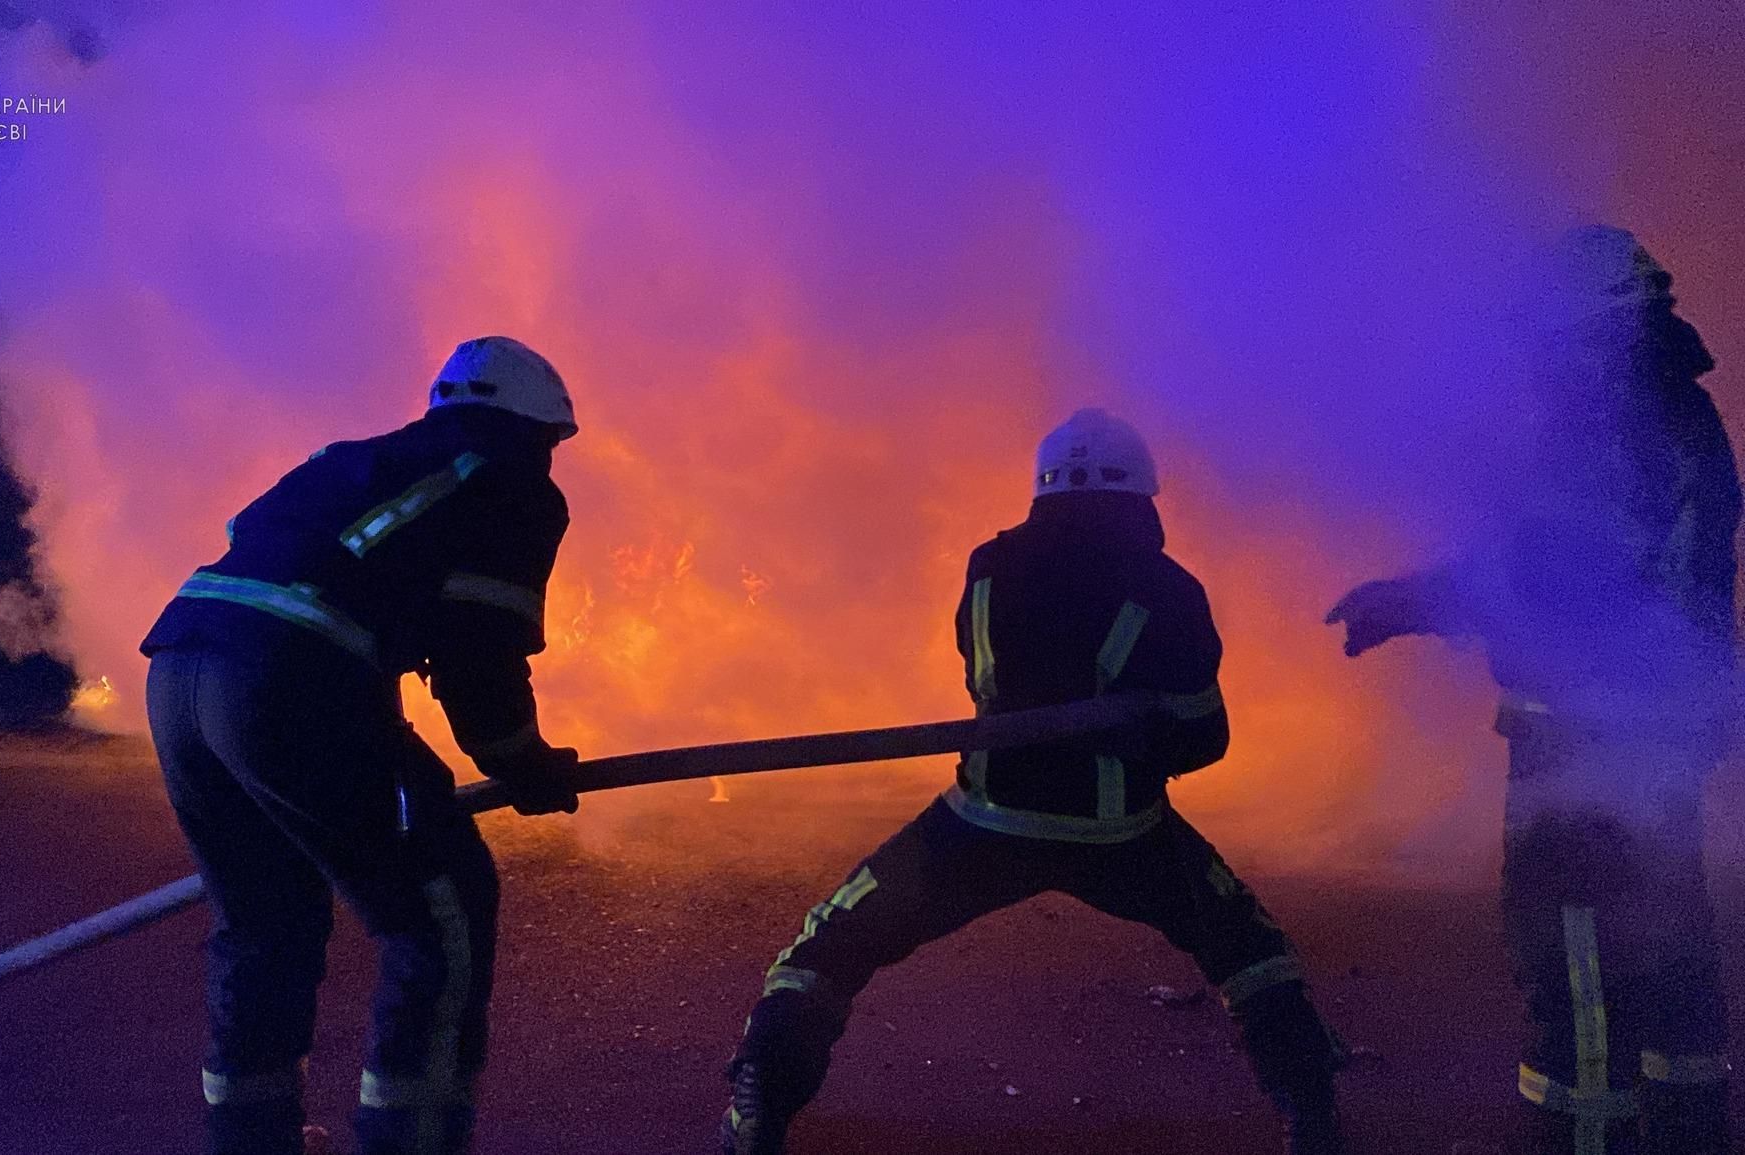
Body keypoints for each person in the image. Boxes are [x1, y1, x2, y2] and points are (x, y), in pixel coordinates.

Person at [722, 409, 1346, 1154]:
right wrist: (1139, 730)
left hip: (987, 820)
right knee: (1249, 947)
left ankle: (762, 1099)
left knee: (831, 943)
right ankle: (1311, 1108)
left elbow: (979, 675)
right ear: (1141, 495)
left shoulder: (988, 566)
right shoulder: (1171, 590)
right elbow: (1204, 739)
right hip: (1124, 832)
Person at [1327, 226, 1735, 1155]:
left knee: (1576, 958)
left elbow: (1554, 582)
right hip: (1655, 736)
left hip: (1586, 742)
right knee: (1669, 955)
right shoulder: (1680, 413)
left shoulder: (1606, 425)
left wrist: (1416, 599)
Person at [141, 336, 584, 1155]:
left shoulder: (356, 459)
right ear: (536, 427)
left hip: (180, 670)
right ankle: (412, 1139)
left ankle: (248, 1140)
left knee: (264, 921)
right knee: (440, 913)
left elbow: (258, 537)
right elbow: (477, 652)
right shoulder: (510, 479)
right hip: (291, 682)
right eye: (554, 445)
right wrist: (524, 760)